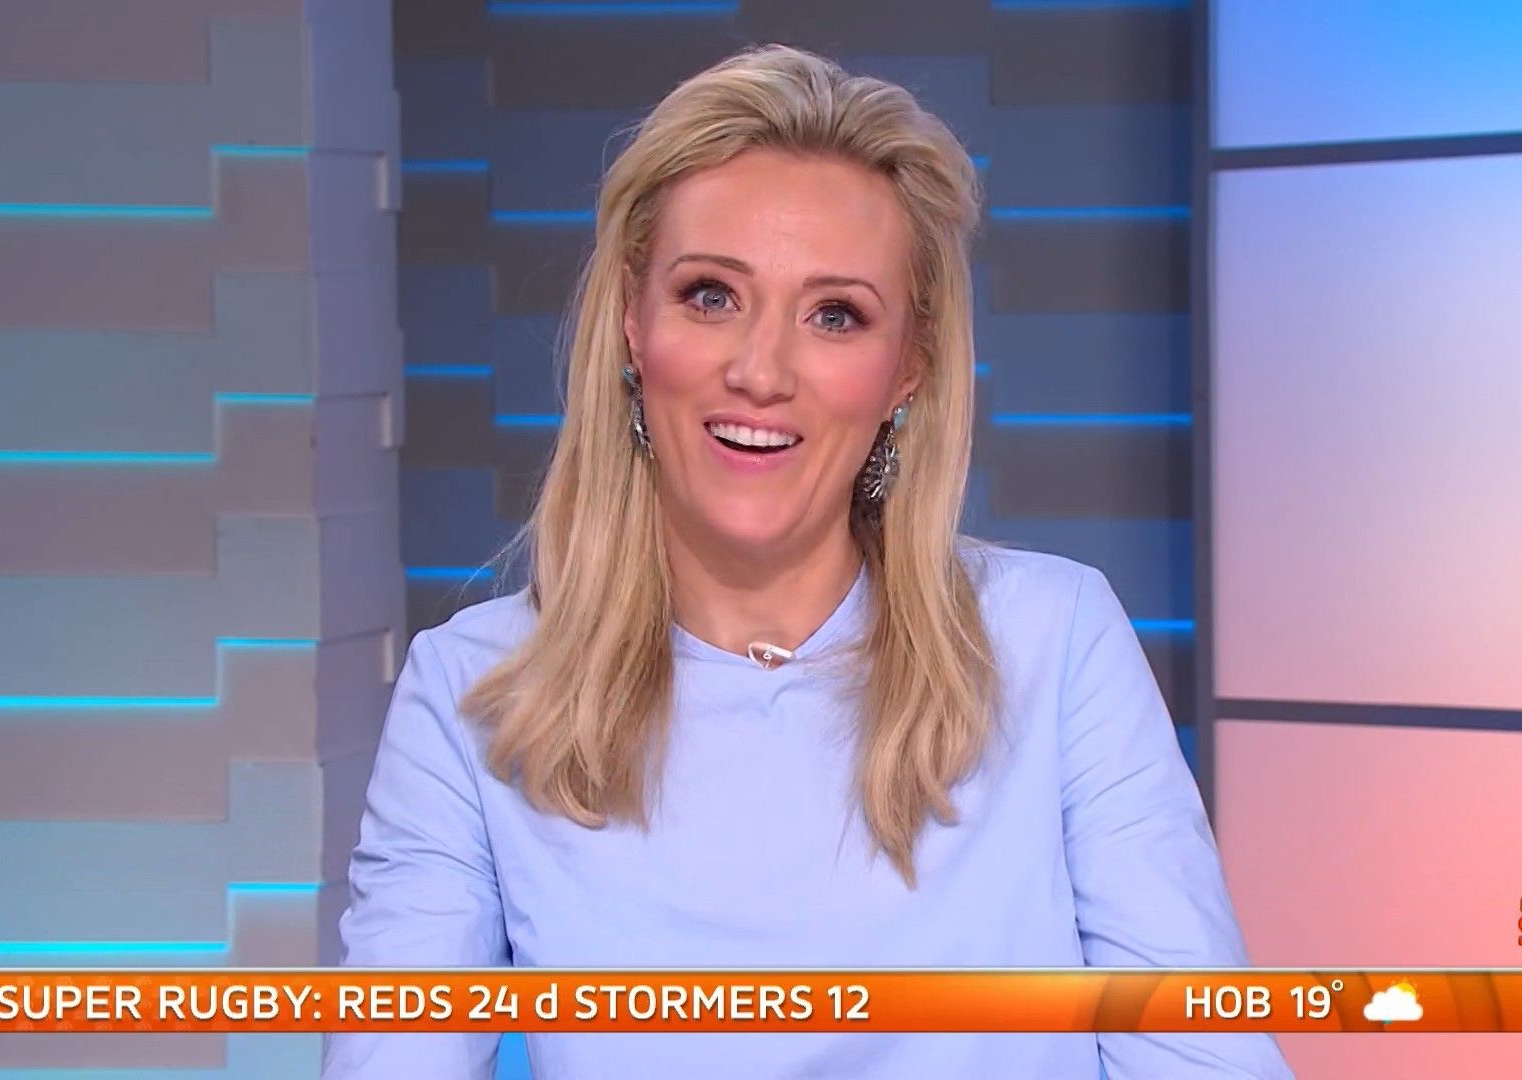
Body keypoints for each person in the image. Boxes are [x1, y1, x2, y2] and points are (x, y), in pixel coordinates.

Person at [325, 43, 1290, 1080]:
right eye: (710, 296)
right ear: (632, 326)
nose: (761, 370)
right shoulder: (473, 695)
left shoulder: (1053, 644)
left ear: (908, 367)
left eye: (835, 315)